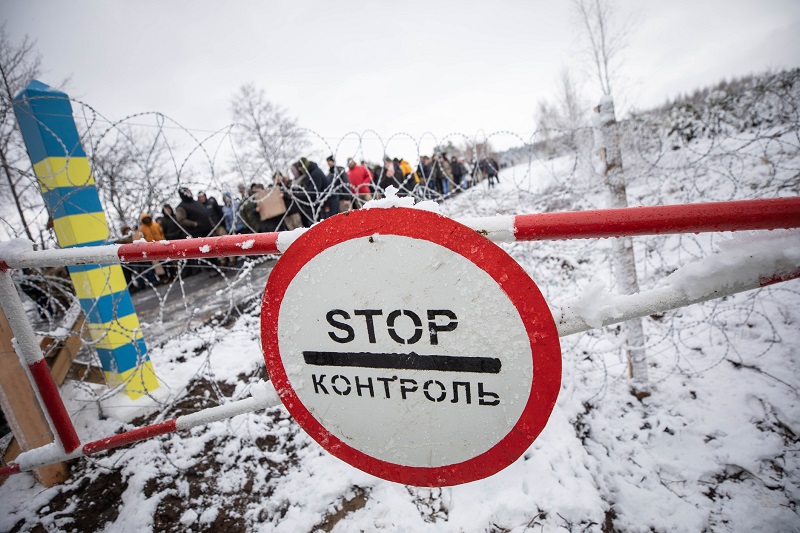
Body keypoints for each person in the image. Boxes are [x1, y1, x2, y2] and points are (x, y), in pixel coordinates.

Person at [292, 158, 339, 226]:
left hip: (329, 202)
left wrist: (296, 194)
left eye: (300, 168)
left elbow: (313, 193)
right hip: (326, 202)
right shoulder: (312, 173)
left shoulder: (315, 174)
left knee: (332, 225)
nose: (299, 170)